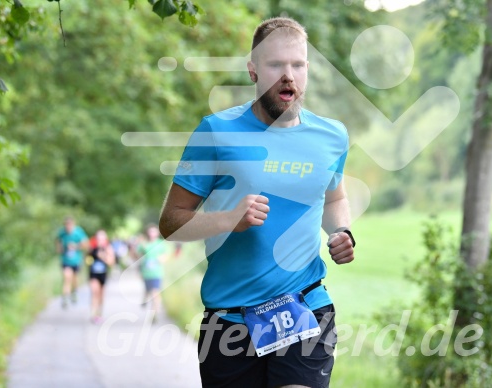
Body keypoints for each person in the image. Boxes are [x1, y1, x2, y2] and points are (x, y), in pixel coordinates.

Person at [159, 17, 355, 387]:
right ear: (253, 70)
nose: (288, 75)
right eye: (275, 64)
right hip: (229, 320)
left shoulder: (331, 136)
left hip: (303, 306)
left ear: (307, 70)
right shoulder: (215, 132)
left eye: (297, 65)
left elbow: (335, 198)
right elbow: (170, 222)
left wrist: (341, 231)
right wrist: (228, 220)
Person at [136, 224, 168, 323]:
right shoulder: (144, 244)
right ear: (147, 233)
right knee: (149, 291)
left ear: (157, 233)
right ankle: (145, 299)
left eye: (154, 231)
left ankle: (154, 314)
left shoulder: (161, 244)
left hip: (157, 273)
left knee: (155, 293)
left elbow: (165, 257)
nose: (152, 234)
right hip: (146, 273)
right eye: (150, 231)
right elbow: (137, 256)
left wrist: (161, 259)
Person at [55, 216, 89, 309]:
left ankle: (74, 291)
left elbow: (86, 244)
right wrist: (59, 249)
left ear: (73, 224)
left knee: (74, 278)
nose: (68, 227)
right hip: (66, 260)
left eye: (70, 225)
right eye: (66, 225)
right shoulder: (62, 233)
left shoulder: (78, 232)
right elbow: (57, 241)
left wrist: (76, 246)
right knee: (67, 277)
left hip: (76, 260)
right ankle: (65, 298)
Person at [86, 229, 115, 324]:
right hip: (93, 274)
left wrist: (103, 256)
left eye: (102, 238)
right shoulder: (92, 248)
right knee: (95, 292)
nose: (100, 240)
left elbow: (111, 262)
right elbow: (87, 260)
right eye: (98, 238)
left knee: (101, 295)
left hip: (103, 275)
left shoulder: (108, 248)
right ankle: (93, 314)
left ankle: (99, 313)